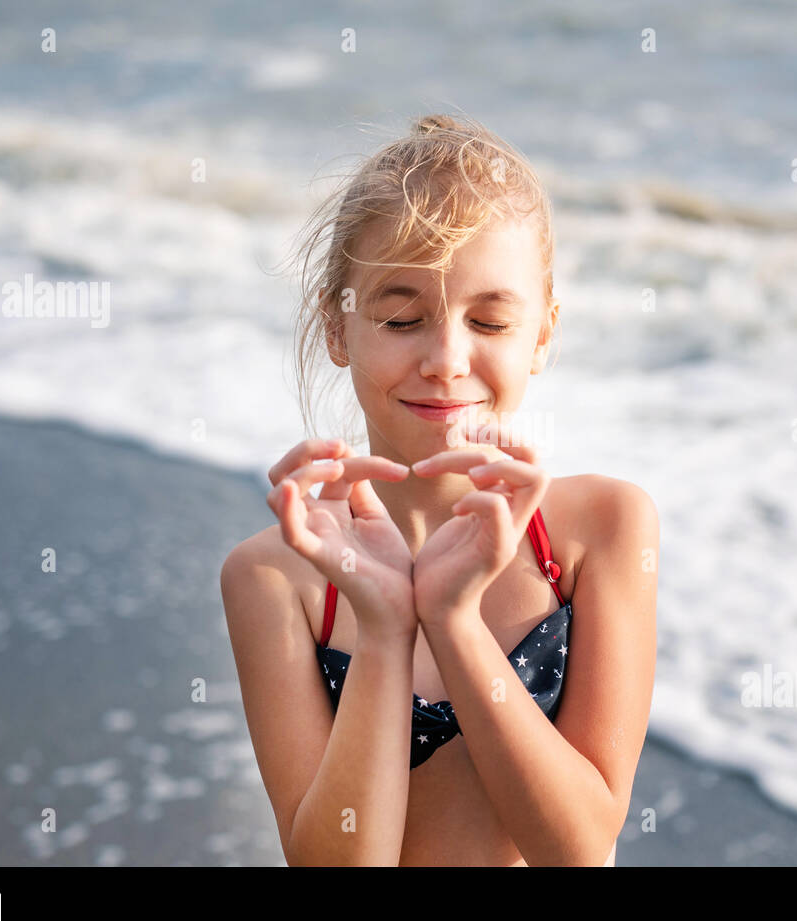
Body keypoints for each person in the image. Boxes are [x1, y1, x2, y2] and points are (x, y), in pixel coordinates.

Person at [220, 113, 658, 866]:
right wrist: (386, 626)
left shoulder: (602, 531)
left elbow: (580, 848)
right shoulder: (278, 578)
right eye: (400, 318)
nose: (448, 359)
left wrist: (453, 620)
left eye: (490, 320)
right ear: (337, 326)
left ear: (543, 334)